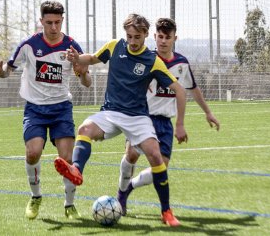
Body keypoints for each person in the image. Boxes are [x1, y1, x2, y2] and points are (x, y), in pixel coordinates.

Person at [53, 13, 188, 227]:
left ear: (145, 35)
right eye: (129, 36)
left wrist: (179, 124)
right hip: (111, 112)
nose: (132, 42)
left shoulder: (153, 61)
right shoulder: (115, 46)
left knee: (155, 155)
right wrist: (76, 58)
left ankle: (167, 212)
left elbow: (180, 91)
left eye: (137, 37)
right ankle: (76, 170)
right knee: (85, 128)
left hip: (137, 117)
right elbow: (92, 59)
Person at [0, 0, 91, 220]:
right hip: (34, 109)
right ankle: (35, 197)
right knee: (33, 153)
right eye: (49, 22)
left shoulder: (72, 47)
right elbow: (8, 70)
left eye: (58, 22)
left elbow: (87, 82)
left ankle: (69, 205)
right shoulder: (29, 45)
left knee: (67, 159)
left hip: (61, 108)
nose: (54, 27)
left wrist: (82, 72)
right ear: (41, 21)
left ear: (62, 20)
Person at [117, 17, 220, 217]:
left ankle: (129, 187)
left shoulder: (181, 64)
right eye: (160, 36)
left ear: (175, 38)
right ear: (154, 37)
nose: (163, 41)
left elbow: (192, 89)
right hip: (141, 118)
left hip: (164, 122)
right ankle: (121, 194)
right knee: (131, 155)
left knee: (161, 167)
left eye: (168, 37)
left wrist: (208, 112)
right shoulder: (144, 59)